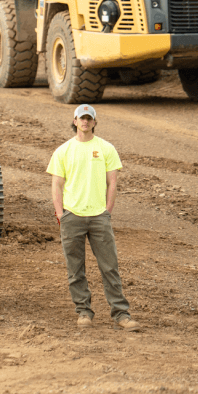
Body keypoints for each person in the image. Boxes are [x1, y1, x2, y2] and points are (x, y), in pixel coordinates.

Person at [48, 104, 139, 331]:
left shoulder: (106, 148)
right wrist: (61, 214)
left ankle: (121, 314)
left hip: (99, 217)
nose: (85, 122)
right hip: (72, 216)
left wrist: (107, 211)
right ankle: (83, 312)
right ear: (75, 121)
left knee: (110, 267)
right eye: (82, 118)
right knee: (75, 269)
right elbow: (56, 184)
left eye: (89, 118)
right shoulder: (63, 151)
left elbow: (113, 182)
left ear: (95, 122)